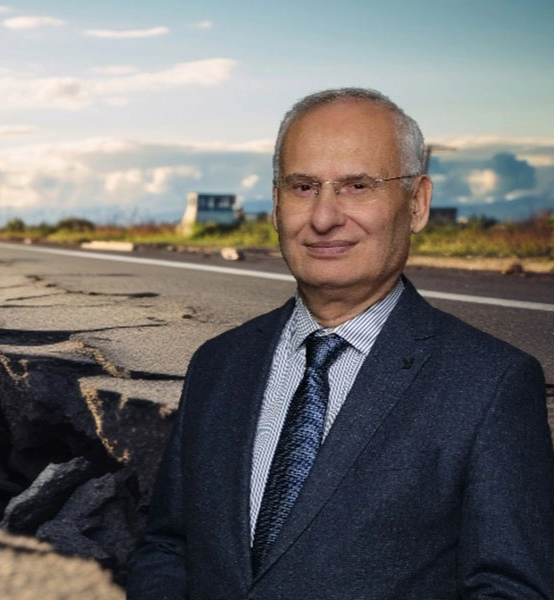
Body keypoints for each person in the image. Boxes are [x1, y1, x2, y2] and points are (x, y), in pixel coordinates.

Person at [125, 88, 554, 599]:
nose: (324, 217)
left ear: (416, 203)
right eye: (303, 186)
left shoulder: (491, 384)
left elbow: (512, 589)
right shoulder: (219, 363)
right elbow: (170, 547)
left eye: (357, 186)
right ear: (276, 202)